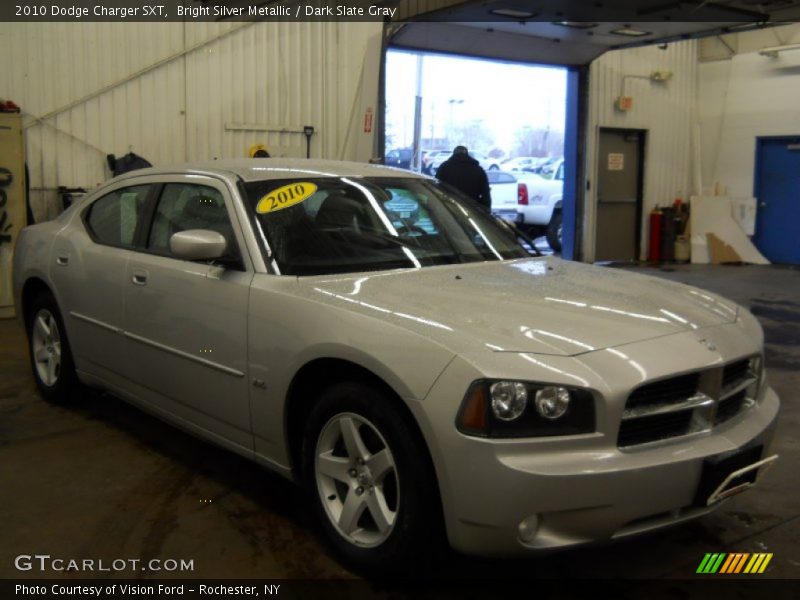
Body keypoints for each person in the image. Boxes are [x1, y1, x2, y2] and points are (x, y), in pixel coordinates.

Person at [435, 145, 491, 210]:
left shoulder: (444, 167)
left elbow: (436, 187)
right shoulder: (478, 169)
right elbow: (486, 194)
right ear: (467, 154)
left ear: (453, 154)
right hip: (472, 210)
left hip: (449, 208)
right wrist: (485, 212)